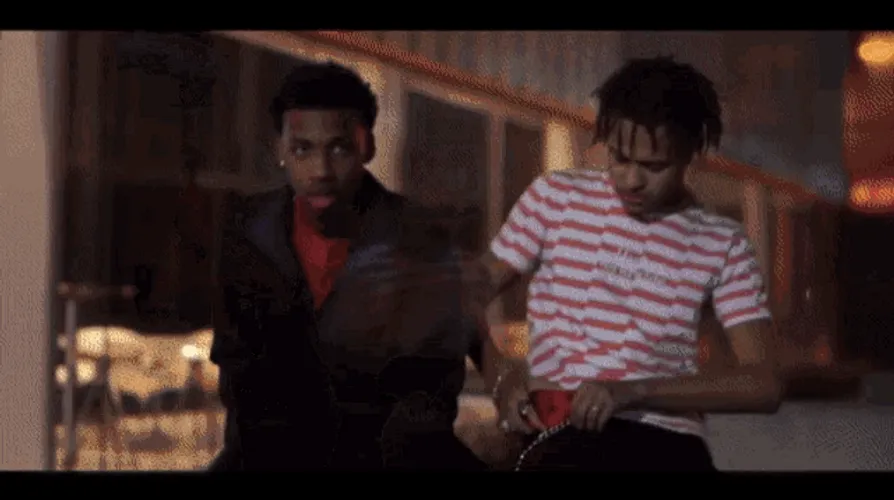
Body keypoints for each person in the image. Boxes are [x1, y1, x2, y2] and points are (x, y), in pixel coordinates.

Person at [482, 56, 783, 471]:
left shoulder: (722, 243)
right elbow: (460, 299)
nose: (631, 180)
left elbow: (763, 384)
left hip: (666, 441)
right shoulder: (555, 199)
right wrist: (502, 379)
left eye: (654, 166)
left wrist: (632, 390)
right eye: (620, 158)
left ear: (690, 154)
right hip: (564, 436)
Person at [208, 61, 491, 471]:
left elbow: (429, 394)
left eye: (338, 149)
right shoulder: (248, 231)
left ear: (367, 147)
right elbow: (237, 376)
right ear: (280, 150)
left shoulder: (420, 238)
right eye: (302, 149)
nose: (320, 172)